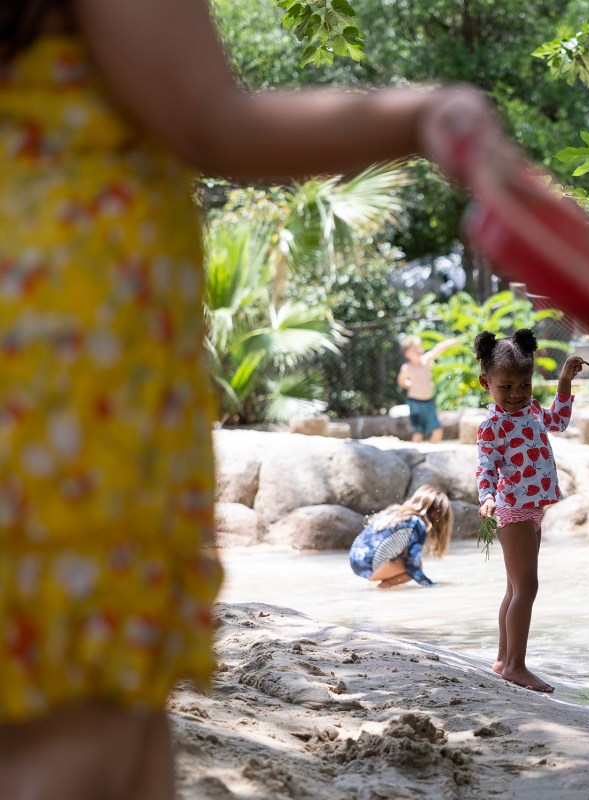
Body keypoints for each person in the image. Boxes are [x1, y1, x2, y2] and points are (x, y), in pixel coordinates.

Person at [0, 1, 545, 797]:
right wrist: (431, 112)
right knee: (80, 730)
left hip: (59, 362)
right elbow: (212, 121)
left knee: (118, 709)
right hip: (68, 369)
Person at [473, 329, 586, 693]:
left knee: (513, 587)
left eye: (524, 385)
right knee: (527, 587)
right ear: (485, 383)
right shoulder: (493, 426)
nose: (517, 394)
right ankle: (516, 667)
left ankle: (504, 659)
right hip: (513, 509)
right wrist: (486, 497)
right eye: (505, 387)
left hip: (532, 508)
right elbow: (486, 467)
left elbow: (559, 422)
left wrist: (565, 382)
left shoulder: (533, 409)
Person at [349, 486, 453, 589]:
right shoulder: (416, 523)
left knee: (402, 556)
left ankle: (381, 581)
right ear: (436, 514)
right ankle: (384, 586)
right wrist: (431, 585)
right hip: (370, 567)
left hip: (355, 562)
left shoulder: (391, 512)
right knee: (417, 565)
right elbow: (412, 566)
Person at [398, 334, 460, 443]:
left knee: (437, 431)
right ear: (407, 353)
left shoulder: (426, 360)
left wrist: (449, 342)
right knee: (418, 432)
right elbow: (401, 381)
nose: (419, 350)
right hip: (414, 403)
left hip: (428, 402)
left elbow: (437, 349)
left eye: (419, 347)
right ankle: (416, 454)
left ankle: (433, 455)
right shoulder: (407, 367)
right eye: (415, 349)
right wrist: (408, 384)